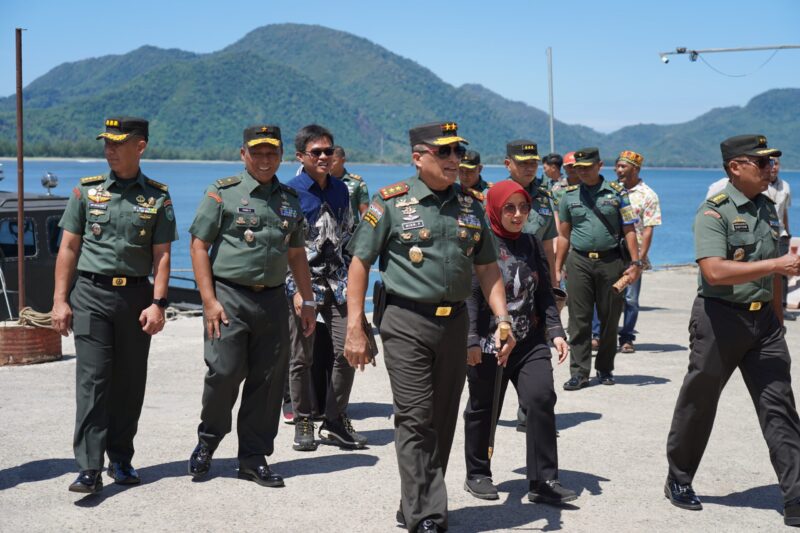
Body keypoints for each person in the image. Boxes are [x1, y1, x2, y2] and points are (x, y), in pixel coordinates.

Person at [344, 121, 515, 533]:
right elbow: (360, 262)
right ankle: (428, 514)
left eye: (458, 152)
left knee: (442, 417)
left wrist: (503, 317)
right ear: (418, 157)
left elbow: (488, 267)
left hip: (455, 322)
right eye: (445, 152)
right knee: (416, 416)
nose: (455, 160)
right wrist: (356, 325)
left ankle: (416, 500)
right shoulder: (389, 203)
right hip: (405, 321)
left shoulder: (472, 206)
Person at [664, 134, 800, 528]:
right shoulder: (714, 212)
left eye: (772, 162)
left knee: (780, 406)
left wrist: (776, 316)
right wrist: (775, 268)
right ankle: (679, 478)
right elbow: (714, 271)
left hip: (764, 324)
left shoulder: (768, 208)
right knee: (700, 401)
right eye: (761, 163)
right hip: (719, 319)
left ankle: (795, 494)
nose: (769, 168)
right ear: (736, 168)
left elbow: (774, 268)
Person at [52, 117, 177, 494]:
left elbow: (163, 255)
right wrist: (60, 299)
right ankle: (89, 466)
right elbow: (69, 248)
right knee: (93, 381)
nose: (109, 149)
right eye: (106, 142)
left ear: (140, 147)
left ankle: (120, 458)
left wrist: (158, 303)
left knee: (128, 382)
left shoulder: (157, 196)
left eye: (118, 143)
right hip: (91, 295)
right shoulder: (86, 192)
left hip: (136, 298)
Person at [187, 124, 315, 487]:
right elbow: (198, 246)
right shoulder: (222, 193)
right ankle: (208, 441)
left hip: (273, 299)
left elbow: (296, 254)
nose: (264, 159)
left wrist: (307, 300)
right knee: (223, 372)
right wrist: (209, 301)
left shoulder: (289, 200)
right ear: (243, 154)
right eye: (256, 152)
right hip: (229, 296)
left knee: (268, 381)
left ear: (280, 156)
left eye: (271, 153)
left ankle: (253, 457)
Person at [462, 180, 577, 505]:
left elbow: (545, 293)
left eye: (523, 208)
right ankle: (478, 473)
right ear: (495, 209)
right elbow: (471, 295)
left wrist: (555, 331)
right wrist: (470, 339)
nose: (517, 215)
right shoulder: (481, 242)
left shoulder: (530, 242)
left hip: (528, 340)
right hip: (488, 342)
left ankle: (543, 480)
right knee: (484, 408)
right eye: (509, 208)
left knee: (541, 398)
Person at [286, 125, 366, 451]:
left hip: (337, 281)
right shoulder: (289, 192)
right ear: (301, 156)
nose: (323, 157)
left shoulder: (342, 191)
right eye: (316, 152)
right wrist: (294, 289)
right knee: (301, 357)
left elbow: (347, 236)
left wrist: (354, 280)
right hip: (303, 283)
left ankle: (334, 420)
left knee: (348, 348)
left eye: (328, 151)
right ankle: (304, 419)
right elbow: (283, 247)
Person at [555, 147, 642, 390]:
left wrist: (635, 264)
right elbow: (563, 235)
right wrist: (558, 266)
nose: (582, 172)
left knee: (609, 317)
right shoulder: (568, 196)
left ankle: (605, 368)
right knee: (578, 319)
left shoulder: (617, 194)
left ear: (599, 165)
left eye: (587, 167)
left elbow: (629, 229)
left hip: (611, 262)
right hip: (579, 262)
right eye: (578, 168)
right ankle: (580, 372)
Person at [591, 151, 662, 353]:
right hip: (609, 252)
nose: (618, 170)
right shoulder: (610, 191)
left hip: (632, 255)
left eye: (623, 166)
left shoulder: (648, 195)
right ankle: (597, 335)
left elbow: (648, 229)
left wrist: (638, 260)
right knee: (601, 295)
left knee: (630, 298)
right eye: (618, 166)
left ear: (636, 169)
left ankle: (627, 337)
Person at [505, 140, 558, 288]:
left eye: (533, 163)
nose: (529, 168)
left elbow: (547, 247)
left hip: (538, 277)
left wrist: (553, 284)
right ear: (508, 164)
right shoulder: (494, 196)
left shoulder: (544, 199)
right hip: (506, 276)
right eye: (523, 163)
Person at [764, 156, 795, 320]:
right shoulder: (759, 185)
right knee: (764, 269)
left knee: (783, 271)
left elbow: (784, 211)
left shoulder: (786, 187)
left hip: (780, 233)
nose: (773, 167)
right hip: (764, 232)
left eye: (776, 163)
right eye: (770, 163)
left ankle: (782, 306)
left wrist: (788, 233)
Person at [331, 145, 370, 227]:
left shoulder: (356, 182)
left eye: (333, 161)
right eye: (328, 161)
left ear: (343, 161)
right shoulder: (321, 181)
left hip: (351, 234)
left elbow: (364, 212)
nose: (330, 164)